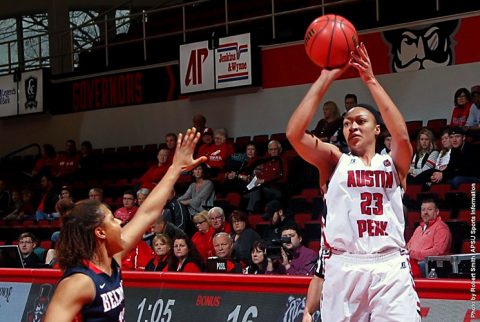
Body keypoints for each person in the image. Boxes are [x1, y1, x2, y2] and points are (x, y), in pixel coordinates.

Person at [286, 43, 420, 321]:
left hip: (390, 265)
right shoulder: (335, 160)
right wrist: (325, 77)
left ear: (378, 129)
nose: (353, 126)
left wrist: (370, 79)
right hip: (344, 266)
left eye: (361, 121)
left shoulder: (394, 162)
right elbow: (294, 134)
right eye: (347, 123)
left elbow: (403, 137)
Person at [44, 128, 205, 322]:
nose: (119, 221)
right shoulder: (78, 283)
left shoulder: (114, 259)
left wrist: (175, 168)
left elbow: (147, 212)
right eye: (112, 219)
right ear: (100, 232)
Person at [407, 198, 452, 277]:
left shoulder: (441, 228)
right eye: (423, 210)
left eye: (429, 209)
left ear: (437, 212)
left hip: (428, 266)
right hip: (412, 263)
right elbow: (408, 246)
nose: (425, 212)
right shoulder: (419, 228)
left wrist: (414, 254)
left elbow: (438, 251)